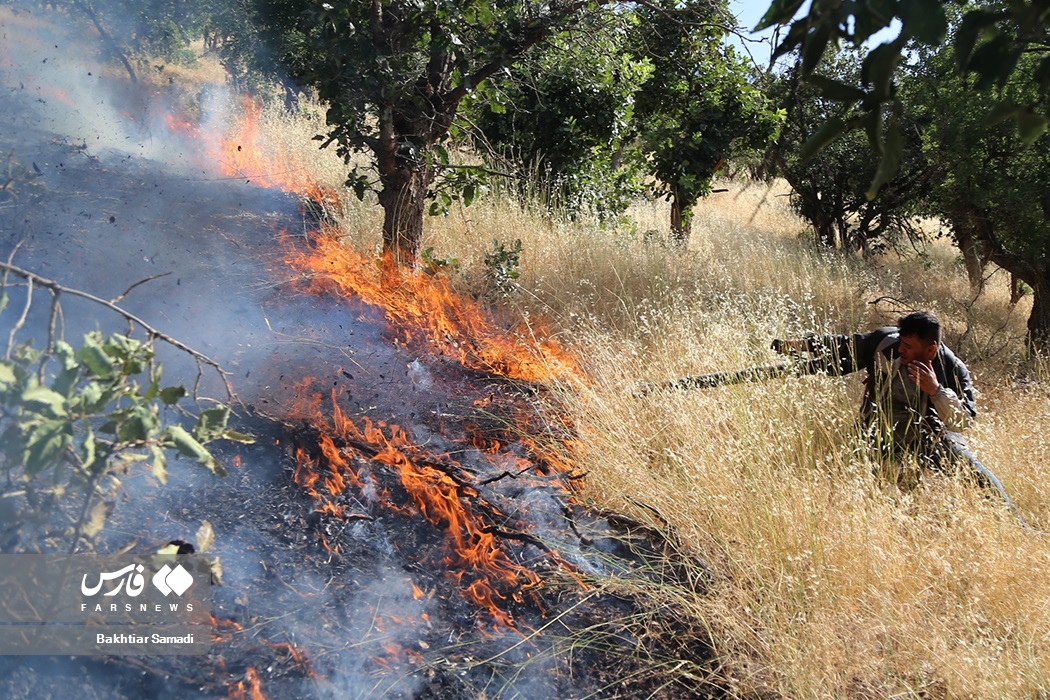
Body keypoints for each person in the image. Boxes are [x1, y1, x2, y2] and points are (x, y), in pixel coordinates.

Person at [772, 311, 1020, 514]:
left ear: (931, 350)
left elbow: (963, 421)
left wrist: (936, 390)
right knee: (852, 485)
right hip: (876, 433)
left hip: (928, 439)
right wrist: (794, 345)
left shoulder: (952, 368)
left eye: (909, 346)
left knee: (976, 474)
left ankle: (1016, 525)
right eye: (902, 341)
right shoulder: (885, 344)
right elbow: (841, 346)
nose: (901, 348)